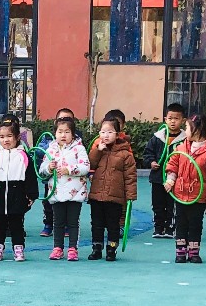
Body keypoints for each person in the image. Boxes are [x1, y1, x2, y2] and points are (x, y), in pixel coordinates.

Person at [166, 115, 206, 265]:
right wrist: (170, 180)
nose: (184, 130)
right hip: (180, 193)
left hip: (198, 195)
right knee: (180, 222)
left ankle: (193, 251)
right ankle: (180, 251)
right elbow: (173, 165)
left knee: (195, 223)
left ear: (197, 130)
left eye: (187, 127)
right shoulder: (181, 147)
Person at [0, 118, 38, 261]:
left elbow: (30, 177)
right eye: (2, 137)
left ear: (17, 137)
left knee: (17, 225)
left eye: (9, 136)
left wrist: (31, 195)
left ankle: (18, 249)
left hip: (17, 195)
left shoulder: (23, 156)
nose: (6, 140)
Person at [87, 114, 138, 261]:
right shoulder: (98, 150)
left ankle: (111, 248)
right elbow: (90, 164)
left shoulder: (125, 154)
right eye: (103, 132)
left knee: (113, 225)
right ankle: (96, 248)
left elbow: (130, 176)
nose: (106, 135)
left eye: (110, 132)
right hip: (97, 195)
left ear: (117, 134)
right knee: (96, 224)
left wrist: (130, 196)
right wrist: (97, 150)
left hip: (115, 197)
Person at [41, 117, 90, 261]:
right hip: (56, 193)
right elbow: (42, 170)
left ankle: (73, 248)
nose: (63, 135)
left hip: (75, 193)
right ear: (55, 133)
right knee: (58, 222)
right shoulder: (51, 150)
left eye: (67, 132)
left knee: (73, 223)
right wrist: (49, 168)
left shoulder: (79, 149)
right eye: (60, 132)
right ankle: (58, 248)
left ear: (73, 134)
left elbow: (85, 167)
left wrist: (69, 169)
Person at [143, 102, 187, 239]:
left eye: (176, 118)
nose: (173, 121)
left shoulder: (185, 139)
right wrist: (151, 162)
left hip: (176, 179)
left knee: (172, 204)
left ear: (183, 120)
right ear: (165, 119)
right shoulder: (158, 137)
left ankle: (170, 228)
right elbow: (147, 153)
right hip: (158, 178)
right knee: (158, 204)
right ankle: (158, 227)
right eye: (170, 118)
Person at [40, 108, 77, 238]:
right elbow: (39, 152)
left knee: (68, 204)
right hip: (52, 180)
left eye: (68, 119)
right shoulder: (49, 140)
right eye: (61, 119)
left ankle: (67, 226)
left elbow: (82, 161)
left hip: (69, 181)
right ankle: (48, 224)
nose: (63, 134)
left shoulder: (77, 143)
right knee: (49, 203)